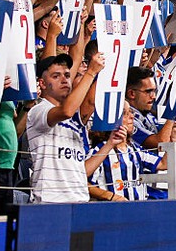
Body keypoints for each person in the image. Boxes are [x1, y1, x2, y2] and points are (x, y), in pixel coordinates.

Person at [27, 52, 120, 203]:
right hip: (50, 201)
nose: (64, 80)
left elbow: (82, 170)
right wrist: (90, 72)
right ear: (42, 84)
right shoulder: (38, 111)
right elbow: (66, 111)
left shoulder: (76, 119)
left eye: (67, 75)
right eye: (56, 76)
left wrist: (110, 65)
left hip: (80, 200)